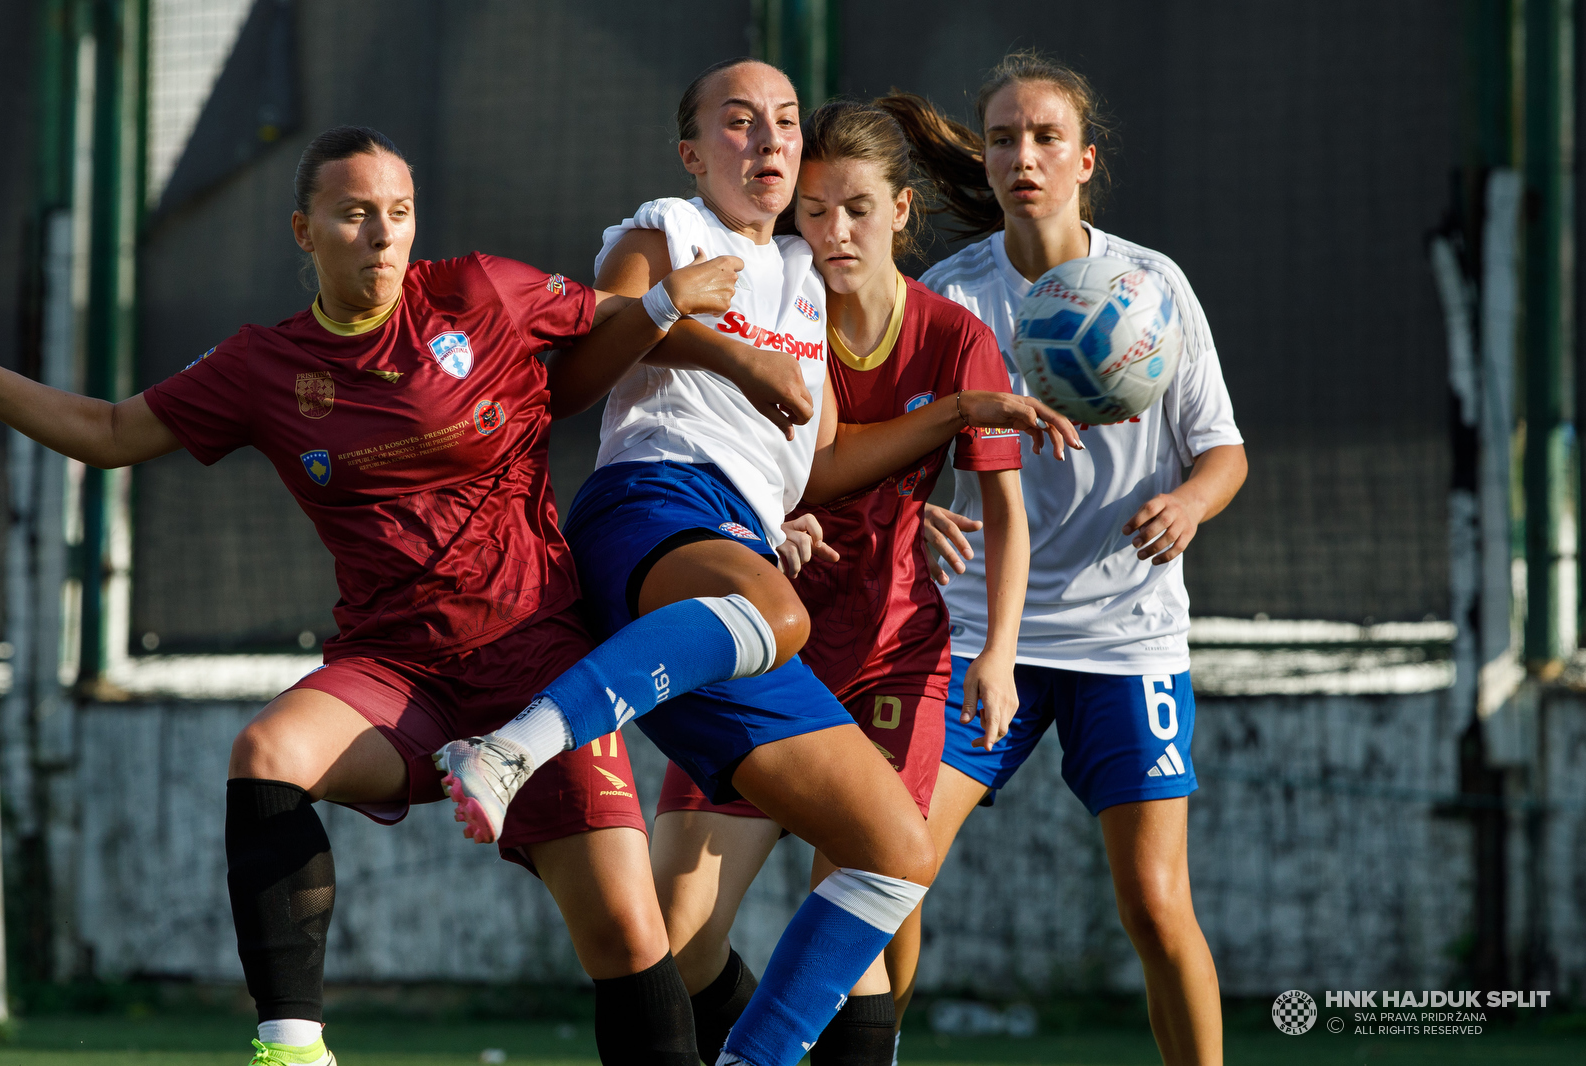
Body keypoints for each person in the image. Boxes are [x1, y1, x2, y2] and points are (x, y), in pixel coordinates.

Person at [0, 125, 748, 1066]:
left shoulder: (480, 291)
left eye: (398, 213)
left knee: (634, 943)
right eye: (355, 215)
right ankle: (292, 1046)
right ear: (304, 232)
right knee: (266, 752)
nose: (384, 236)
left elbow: (615, 327)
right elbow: (107, 430)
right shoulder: (263, 365)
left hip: (539, 669)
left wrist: (748, 423)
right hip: (398, 676)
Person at [434, 59, 1070, 1066]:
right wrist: (703, 335)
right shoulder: (665, 233)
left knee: (893, 852)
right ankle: (513, 746)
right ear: (693, 155)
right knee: (782, 617)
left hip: (741, 557)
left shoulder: (798, 282)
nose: (768, 140)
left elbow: (811, 462)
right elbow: (573, 377)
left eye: (782, 120)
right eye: (739, 123)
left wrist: (937, 424)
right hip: (653, 505)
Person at [649, 99, 1053, 1066]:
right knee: (673, 934)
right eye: (816, 211)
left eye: (858, 209)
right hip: (761, 651)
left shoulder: (955, 336)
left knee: (854, 912)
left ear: (902, 211)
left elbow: (1005, 510)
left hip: (889, 663)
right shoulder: (781, 318)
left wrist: (996, 655)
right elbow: (773, 455)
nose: (834, 233)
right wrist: (767, 514)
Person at [887, 53, 1248, 1066]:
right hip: (972, 632)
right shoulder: (947, 299)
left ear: (1085, 160)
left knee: (1154, 900)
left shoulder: (1151, 287)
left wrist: (1187, 500)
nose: (1022, 156)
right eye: (1003, 137)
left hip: (1128, 637)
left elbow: (1223, 449)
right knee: (889, 864)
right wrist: (906, 514)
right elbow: (886, 453)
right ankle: (874, 1047)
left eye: (1045, 137)